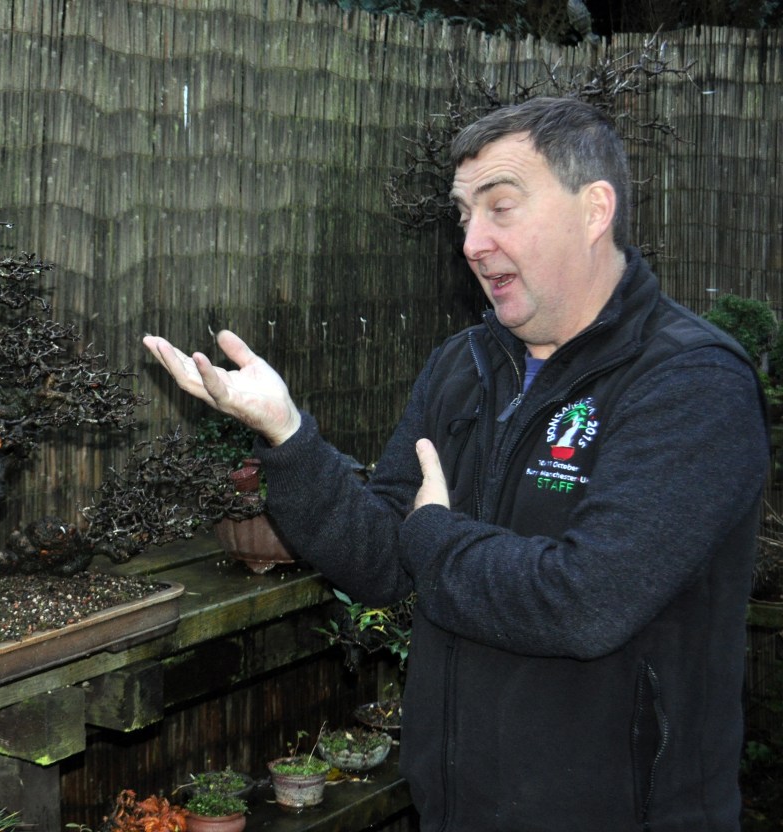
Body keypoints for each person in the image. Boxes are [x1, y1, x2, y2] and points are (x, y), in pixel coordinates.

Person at [143, 97, 769, 831]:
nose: (472, 242)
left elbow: (586, 602)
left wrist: (435, 536)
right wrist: (287, 436)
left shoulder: (690, 382)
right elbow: (385, 560)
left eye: (500, 207)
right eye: (464, 215)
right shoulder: (463, 367)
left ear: (594, 209)